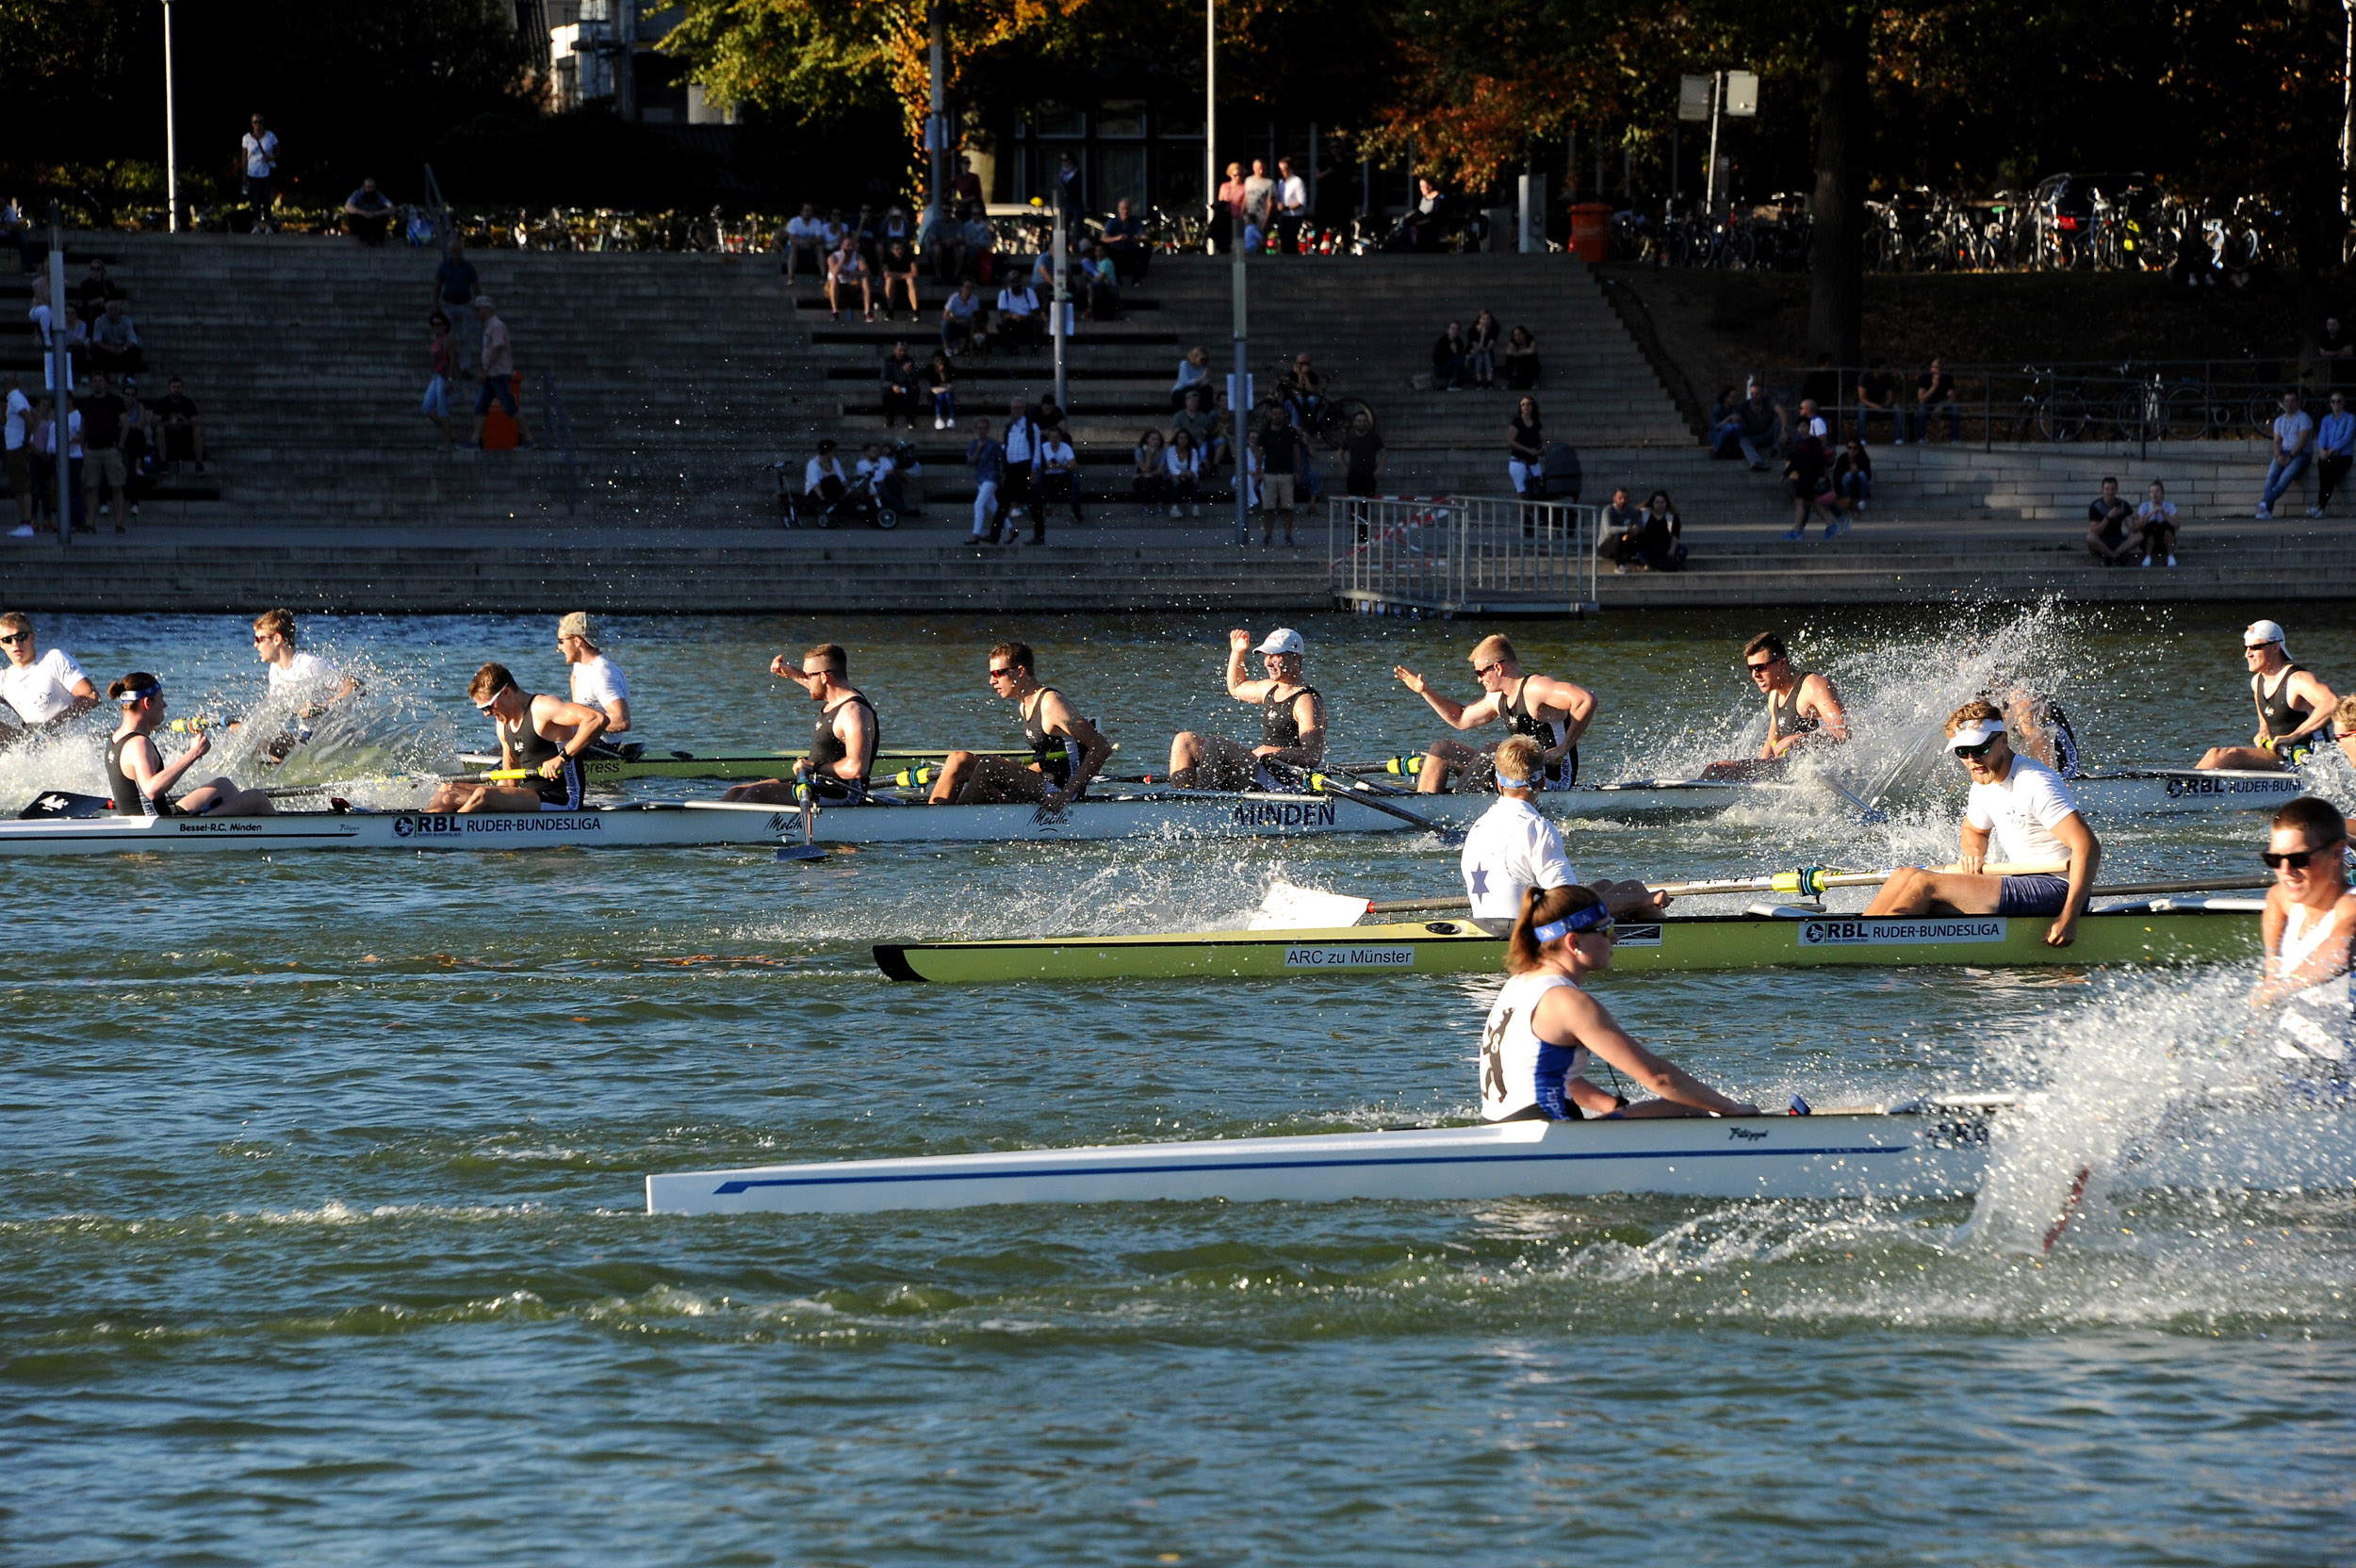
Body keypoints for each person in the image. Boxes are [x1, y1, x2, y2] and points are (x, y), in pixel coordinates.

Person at [1479, 882, 1759, 1122]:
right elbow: (1658, 1078)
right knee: (1690, 1109)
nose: (1615, 937)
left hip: (1503, 1126)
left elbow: (1563, 1079)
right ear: (1574, 942)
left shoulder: (1519, 984)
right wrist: (1731, 1109)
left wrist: (1615, 1109)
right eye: (1606, 929)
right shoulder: (1566, 1001)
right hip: (1552, 1133)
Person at [1861, 700, 2101, 948]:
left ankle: (1869, 949)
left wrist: (2070, 918)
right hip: (2022, 881)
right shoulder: (1982, 785)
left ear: (2004, 740)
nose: (1972, 759)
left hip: (2058, 888)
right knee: (1904, 875)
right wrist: (1974, 853)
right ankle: (1856, 936)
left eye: (1980, 748)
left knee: (1923, 883)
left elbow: (2088, 846)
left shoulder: (2036, 782)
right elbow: (1973, 829)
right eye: (1962, 752)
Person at [1458, 736, 1666, 934]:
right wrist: (1646, 900)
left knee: (1604, 886)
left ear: (1498, 784)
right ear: (1541, 783)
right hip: (1529, 937)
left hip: (1487, 926)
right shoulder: (1535, 827)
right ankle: (1667, 944)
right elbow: (1570, 905)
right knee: (1633, 889)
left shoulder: (1478, 826)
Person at [1393, 633, 1595, 794]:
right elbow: (1460, 719)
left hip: (1552, 779)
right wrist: (1425, 692)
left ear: (1497, 667)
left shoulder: (1535, 688)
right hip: (1519, 771)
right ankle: (1426, 805)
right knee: (1442, 748)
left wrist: (1564, 747)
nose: (1479, 680)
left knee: (1493, 750)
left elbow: (1586, 700)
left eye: (1480, 673)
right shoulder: (1496, 698)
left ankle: (1457, 808)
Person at [926, 642, 1113, 808]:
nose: (992, 681)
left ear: (1020, 671)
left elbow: (1101, 747)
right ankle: (933, 817)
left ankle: (954, 821)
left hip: (1061, 792)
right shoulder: (1024, 705)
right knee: (958, 759)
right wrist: (1015, 773)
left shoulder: (1051, 703)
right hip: (1042, 783)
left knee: (990, 764)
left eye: (998, 673)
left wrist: (1066, 795)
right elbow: (1050, 760)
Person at [2250, 795, 2356, 1068]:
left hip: (2342, 1074)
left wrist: (2275, 991)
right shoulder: (2284, 899)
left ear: (2336, 853)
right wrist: (2273, 966)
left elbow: (2336, 956)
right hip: (2291, 1065)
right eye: (2274, 859)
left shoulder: (2350, 908)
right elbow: (2274, 899)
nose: (2286, 872)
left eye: (2299, 859)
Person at [427, 663, 608, 813]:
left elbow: (597, 719)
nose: (486, 714)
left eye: (488, 707)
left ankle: (454, 832)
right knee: (447, 791)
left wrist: (562, 758)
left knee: (484, 795)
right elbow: (508, 781)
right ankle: (424, 830)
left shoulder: (542, 708)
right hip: (530, 797)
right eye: (482, 709)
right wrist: (497, 795)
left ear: (506, 693)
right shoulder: (503, 725)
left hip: (563, 800)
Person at [720, 644, 879, 805]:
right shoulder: (837, 698)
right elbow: (815, 685)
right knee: (736, 792)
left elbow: (856, 768)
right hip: (816, 784)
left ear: (824, 677)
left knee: (757, 794)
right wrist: (790, 673)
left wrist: (814, 767)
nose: (806, 679)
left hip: (843, 795)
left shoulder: (854, 713)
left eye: (808, 675)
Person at [1168, 627, 1324, 789]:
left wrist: (1270, 751)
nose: (1268, 663)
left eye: (1275, 657)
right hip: (1262, 768)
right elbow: (1236, 687)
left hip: (1283, 780)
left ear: (1295, 659)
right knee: (1185, 741)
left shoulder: (1306, 700)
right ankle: (1181, 803)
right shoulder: (1270, 688)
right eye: (1266, 656)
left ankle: (1204, 805)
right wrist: (1237, 652)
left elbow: (1312, 755)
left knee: (1217, 744)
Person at [105, 673, 276, 818]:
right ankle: (203, 825)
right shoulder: (138, 744)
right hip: (157, 825)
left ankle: (227, 829)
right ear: (147, 704)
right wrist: (193, 754)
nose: (164, 705)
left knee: (223, 785)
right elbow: (151, 789)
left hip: (150, 817)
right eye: (161, 700)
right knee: (257, 798)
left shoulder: (116, 738)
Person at [2196, 619, 2338, 771]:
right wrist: (2263, 731)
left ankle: (2180, 789)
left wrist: (2294, 736)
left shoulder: (2297, 679)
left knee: (2221, 756)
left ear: (2275, 647)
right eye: (2246, 648)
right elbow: (2265, 723)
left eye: (2255, 648)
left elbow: (2333, 703)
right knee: (2215, 755)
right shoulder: (2257, 681)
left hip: (2310, 761)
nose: (2247, 654)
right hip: (2282, 756)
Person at [1742, 631, 1847, 763]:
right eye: (1750, 668)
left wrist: (1800, 739)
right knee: (1716, 768)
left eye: (1759, 668)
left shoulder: (1813, 686)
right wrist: (1755, 772)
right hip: (1789, 771)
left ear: (1781, 664)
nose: (1754, 675)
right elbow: (1771, 743)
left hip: (1818, 770)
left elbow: (1843, 732)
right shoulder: (1774, 695)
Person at [0, 612, 100, 733]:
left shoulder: (54, 659)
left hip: (71, 744)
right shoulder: (3, 680)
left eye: (21, 636)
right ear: (1, 644)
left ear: (32, 636)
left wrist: (50, 726)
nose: (15, 644)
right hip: (33, 745)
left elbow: (92, 697)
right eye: (7, 640)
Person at [467, 298, 534, 449]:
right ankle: (474, 441)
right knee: (480, 407)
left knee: (510, 407)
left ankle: (529, 438)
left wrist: (485, 370)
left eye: (478, 309)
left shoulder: (496, 326)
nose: (476, 313)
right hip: (492, 375)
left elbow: (497, 347)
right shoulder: (489, 326)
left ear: (487, 309)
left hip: (498, 374)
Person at [557, 612, 630, 737]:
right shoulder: (579, 666)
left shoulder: (601, 674)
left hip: (603, 747)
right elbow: (574, 678)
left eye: (561, 641)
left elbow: (622, 721)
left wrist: (581, 722)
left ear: (577, 641)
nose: (559, 647)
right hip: (584, 739)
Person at [78, 371, 130, 534]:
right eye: (95, 380)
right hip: (92, 449)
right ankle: (90, 522)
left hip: (110, 448)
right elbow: (83, 426)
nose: (98, 383)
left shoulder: (115, 401)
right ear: (91, 383)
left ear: (105, 383)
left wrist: (120, 446)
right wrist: (82, 446)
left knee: (116, 486)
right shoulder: (86, 403)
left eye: (101, 380)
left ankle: (120, 523)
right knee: (91, 487)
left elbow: (125, 424)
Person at [2258, 389, 2315, 520]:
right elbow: (2277, 441)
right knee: (2271, 477)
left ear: (2298, 403)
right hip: (2283, 452)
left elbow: (2302, 442)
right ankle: (2267, 511)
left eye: (2293, 401)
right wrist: (2278, 456)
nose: (2290, 404)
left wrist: (2291, 457)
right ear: (2283, 403)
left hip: (2301, 454)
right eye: (2287, 401)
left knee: (2285, 477)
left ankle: (2265, 503)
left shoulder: (2304, 418)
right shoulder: (2279, 421)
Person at [432, 236, 483, 373]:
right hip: (448, 304)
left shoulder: (468, 267)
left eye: (458, 251)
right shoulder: (444, 267)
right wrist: (436, 304)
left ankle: (465, 366)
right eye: (453, 251)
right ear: (449, 252)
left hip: (465, 304)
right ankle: (448, 363)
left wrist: (480, 303)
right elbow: (438, 285)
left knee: (465, 336)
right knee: (449, 336)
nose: (456, 254)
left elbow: (475, 285)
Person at [1254, 406, 1303, 546]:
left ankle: (1288, 534)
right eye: (1275, 414)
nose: (1277, 416)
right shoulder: (1265, 432)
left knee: (1287, 507)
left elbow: (1296, 451)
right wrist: (1259, 471)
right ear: (1271, 415)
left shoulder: (1290, 431)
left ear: (1284, 415)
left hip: (1286, 473)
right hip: (1270, 473)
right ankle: (1268, 534)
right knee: (1268, 508)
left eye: (1280, 414)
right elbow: (1260, 452)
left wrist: (1298, 471)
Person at [1002, 398, 1042, 533]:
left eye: (1019, 408)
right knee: (1005, 499)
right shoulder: (1009, 427)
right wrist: (1005, 468)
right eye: (1014, 408)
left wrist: (1034, 469)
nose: (1016, 411)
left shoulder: (1031, 426)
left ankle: (1038, 534)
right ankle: (996, 533)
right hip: (1013, 467)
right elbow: (1008, 447)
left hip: (1026, 466)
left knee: (1033, 501)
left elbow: (1036, 448)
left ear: (1025, 410)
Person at [1035, 422, 1081, 539]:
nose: (1054, 439)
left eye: (1056, 437)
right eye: (1052, 437)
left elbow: (1074, 465)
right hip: (1047, 475)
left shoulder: (1066, 447)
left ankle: (1076, 511)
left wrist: (1061, 466)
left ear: (1060, 438)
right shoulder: (1043, 447)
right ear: (1049, 437)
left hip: (1063, 475)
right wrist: (1047, 467)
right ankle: (1040, 510)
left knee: (1075, 477)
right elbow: (1037, 465)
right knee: (1037, 477)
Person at [2314, 390, 2354, 518]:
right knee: (2326, 474)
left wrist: (2331, 450)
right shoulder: (2326, 419)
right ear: (2330, 404)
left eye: (2338, 401)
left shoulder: (2350, 418)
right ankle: (2320, 507)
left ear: (2344, 403)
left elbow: (2347, 437)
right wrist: (2322, 450)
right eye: (2333, 401)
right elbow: (2322, 437)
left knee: (2328, 476)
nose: (2335, 404)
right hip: (2328, 456)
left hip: (2343, 456)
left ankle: (2320, 506)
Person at [965, 417, 1005, 542]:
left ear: (988, 429)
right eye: (979, 428)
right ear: (976, 429)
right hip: (980, 479)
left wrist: (1003, 475)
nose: (982, 431)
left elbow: (1002, 460)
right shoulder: (973, 444)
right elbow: (970, 462)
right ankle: (1011, 529)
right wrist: (978, 449)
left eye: (984, 428)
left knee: (978, 504)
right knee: (993, 506)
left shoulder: (994, 444)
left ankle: (975, 534)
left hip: (991, 477)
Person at [154, 376, 205, 471]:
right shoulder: (162, 402)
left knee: (198, 430)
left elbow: (196, 421)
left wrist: (185, 422)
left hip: (185, 434)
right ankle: (163, 463)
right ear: (169, 388)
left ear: (182, 389)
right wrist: (169, 422)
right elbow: (155, 422)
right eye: (174, 387)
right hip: (167, 434)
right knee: (159, 430)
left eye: (179, 387)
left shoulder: (188, 403)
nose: (176, 390)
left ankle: (199, 463)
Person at [2085, 476, 2138, 565]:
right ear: (2102, 490)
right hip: (2102, 541)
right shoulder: (2095, 506)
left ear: (2116, 490)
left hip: (2118, 540)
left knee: (2139, 536)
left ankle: (2111, 555)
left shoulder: (2123, 504)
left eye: (2113, 489)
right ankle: (2116, 557)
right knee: (2090, 537)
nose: (2110, 492)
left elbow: (2131, 528)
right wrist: (2108, 517)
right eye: (2107, 489)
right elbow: (2095, 530)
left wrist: (2135, 522)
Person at [240, 113, 280, 234]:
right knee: (255, 199)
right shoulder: (247, 138)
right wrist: (244, 175)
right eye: (255, 122)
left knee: (266, 199)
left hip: (266, 172)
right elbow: (244, 158)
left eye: (260, 122)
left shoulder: (270, 136)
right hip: (253, 172)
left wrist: (271, 157)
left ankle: (268, 224)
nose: (258, 124)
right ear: (252, 124)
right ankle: (256, 224)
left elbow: (278, 152)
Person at [422, 311, 457, 446]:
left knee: (442, 409)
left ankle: (447, 441)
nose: (436, 327)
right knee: (427, 408)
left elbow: (453, 360)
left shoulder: (448, 341)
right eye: (433, 324)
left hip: (443, 377)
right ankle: (449, 434)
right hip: (435, 377)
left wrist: (450, 379)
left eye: (439, 324)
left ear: (445, 326)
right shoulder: (436, 341)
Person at [1909, 357, 1959, 444]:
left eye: (1939, 368)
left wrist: (1942, 406)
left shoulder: (1947, 377)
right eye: (1935, 367)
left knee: (1954, 409)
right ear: (1930, 368)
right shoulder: (1925, 377)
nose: (1937, 370)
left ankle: (1954, 439)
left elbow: (1952, 398)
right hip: (1927, 405)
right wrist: (1934, 387)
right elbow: (1921, 400)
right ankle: (1921, 438)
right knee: (1921, 410)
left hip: (1942, 405)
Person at [1734, 383, 1783, 470]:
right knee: (1743, 440)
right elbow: (1735, 416)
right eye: (1752, 394)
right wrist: (1738, 419)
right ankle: (1756, 462)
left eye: (1757, 394)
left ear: (1762, 393)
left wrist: (1784, 430)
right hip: (1753, 436)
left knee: (1778, 421)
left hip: (1768, 434)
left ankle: (1776, 450)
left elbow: (1782, 412)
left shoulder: (1768, 402)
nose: (1754, 396)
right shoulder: (1744, 406)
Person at [3, 373, 29, 536]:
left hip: (16, 446)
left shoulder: (15, 399)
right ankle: (23, 522)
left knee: (22, 486)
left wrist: (26, 441)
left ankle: (27, 522)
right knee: (18, 486)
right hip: (14, 445)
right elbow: (34, 416)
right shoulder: (19, 398)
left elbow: (30, 419)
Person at [88, 300, 142, 378]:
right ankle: (103, 376)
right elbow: (97, 340)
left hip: (122, 349)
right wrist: (110, 349)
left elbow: (132, 340)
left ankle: (129, 377)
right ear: (106, 310)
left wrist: (123, 348)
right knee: (95, 351)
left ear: (120, 310)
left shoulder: (126, 321)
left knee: (136, 351)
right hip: (106, 349)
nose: (113, 311)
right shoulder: (99, 321)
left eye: (115, 309)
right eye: (110, 309)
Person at [826, 235, 874, 322]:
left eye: (852, 245)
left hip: (851, 285)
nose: (850, 248)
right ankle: (835, 312)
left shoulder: (858, 257)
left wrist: (850, 273)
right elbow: (834, 272)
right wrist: (843, 258)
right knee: (834, 279)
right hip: (836, 287)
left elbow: (866, 272)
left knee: (865, 280)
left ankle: (867, 312)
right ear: (842, 246)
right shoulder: (833, 257)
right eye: (848, 245)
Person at [1505, 397, 1545, 498]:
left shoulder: (1536, 424)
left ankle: (1533, 513)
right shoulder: (1517, 422)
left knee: (1536, 489)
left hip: (1533, 462)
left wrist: (1541, 450)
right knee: (1522, 491)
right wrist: (1527, 450)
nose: (1526, 407)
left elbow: (1544, 440)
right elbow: (1510, 441)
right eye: (1523, 404)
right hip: (1519, 462)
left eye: (1529, 404)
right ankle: (1525, 513)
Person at [1103, 199, 1149, 284]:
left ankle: (1138, 277)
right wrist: (1117, 238)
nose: (1125, 211)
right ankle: (1117, 278)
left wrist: (1139, 238)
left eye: (1127, 209)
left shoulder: (1135, 221)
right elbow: (1104, 238)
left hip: (1131, 247)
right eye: (1123, 209)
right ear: (1119, 210)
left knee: (1146, 248)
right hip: (1116, 249)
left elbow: (1145, 236)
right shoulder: (1113, 222)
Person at [879, 341, 922, 431]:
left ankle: (910, 419)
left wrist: (909, 373)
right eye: (900, 350)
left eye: (904, 351)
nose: (902, 353)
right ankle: (889, 418)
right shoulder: (888, 361)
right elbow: (883, 381)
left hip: (905, 389)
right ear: (895, 350)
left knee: (915, 391)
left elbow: (915, 382)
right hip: (892, 389)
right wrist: (893, 385)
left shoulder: (910, 361)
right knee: (885, 392)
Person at [2135, 480, 2179, 567]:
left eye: (2157, 491)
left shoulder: (2169, 506)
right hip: (2148, 541)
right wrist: (2148, 516)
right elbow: (2139, 527)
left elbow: (2177, 525)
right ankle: (2147, 557)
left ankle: (2171, 556)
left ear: (2162, 494)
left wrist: (2164, 514)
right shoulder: (2144, 506)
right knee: (2152, 525)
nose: (2154, 494)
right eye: (2151, 491)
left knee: (2166, 526)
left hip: (2164, 542)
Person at [802, 438, 848, 518]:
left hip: (831, 490)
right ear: (827, 452)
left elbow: (842, 479)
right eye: (833, 451)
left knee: (836, 482)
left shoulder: (834, 461)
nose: (834, 453)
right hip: (816, 493)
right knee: (833, 479)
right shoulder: (813, 464)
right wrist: (822, 498)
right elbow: (815, 484)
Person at [1856, 361, 1900, 443]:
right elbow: (1862, 398)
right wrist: (1876, 407)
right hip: (1868, 405)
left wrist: (1884, 406)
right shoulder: (1864, 377)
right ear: (1876, 370)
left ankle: (1898, 439)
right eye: (1883, 368)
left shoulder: (1887, 377)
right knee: (1861, 408)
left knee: (1897, 408)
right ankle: (1861, 439)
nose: (1885, 370)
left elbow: (1890, 397)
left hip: (1882, 405)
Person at [941, 278, 986, 358]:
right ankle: (946, 347)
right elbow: (945, 315)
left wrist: (970, 321)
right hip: (955, 321)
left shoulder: (974, 299)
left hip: (968, 321)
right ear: (962, 288)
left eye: (970, 287)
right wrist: (957, 320)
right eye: (966, 287)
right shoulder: (954, 298)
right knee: (945, 324)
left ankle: (972, 348)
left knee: (978, 327)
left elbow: (976, 315)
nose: (968, 289)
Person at [340, 177, 395, 243]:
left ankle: (378, 239)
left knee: (384, 216)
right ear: (363, 187)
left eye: (372, 187)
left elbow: (392, 209)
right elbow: (347, 207)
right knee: (353, 215)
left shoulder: (379, 195)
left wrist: (376, 213)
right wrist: (363, 213)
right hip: (361, 221)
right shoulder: (357, 194)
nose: (370, 189)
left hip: (375, 220)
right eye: (368, 187)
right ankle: (364, 239)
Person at [995, 274, 1040, 351]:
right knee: (1001, 325)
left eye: (1017, 282)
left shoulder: (1029, 292)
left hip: (1027, 319)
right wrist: (1013, 316)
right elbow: (1002, 313)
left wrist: (1024, 317)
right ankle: (1013, 348)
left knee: (1039, 322)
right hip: (1012, 320)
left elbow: (1035, 310)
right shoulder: (1004, 294)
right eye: (1013, 282)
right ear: (1009, 284)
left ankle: (1034, 347)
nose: (1016, 285)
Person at [782, 204, 826, 282]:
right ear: (801, 212)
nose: (808, 213)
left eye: (810, 211)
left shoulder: (816, 222)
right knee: (793, 248)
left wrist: (810, 242)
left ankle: (823, 276)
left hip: (811, 247)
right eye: (806, 211)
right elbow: (792, 239)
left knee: (820, 248)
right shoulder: (794, 221)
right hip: (797, 247)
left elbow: (819, 239)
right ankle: (791, 277)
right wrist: (803, 242)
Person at [881, 237, 922, 322]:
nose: (899, 251)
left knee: (910, 280)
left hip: (906, 283)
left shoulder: (909, 256)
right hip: (894, 282)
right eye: (896, 249)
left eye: (901, 249)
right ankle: (890, 310)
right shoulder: (888, 257)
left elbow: (915, 273)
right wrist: (904, 275)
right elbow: (886, 274)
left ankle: (915, 311)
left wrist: (897, 275)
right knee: (889, 280)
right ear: (892, 250)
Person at [1167, 428, 1204, 516]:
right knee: (1175, 480)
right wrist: (1180, 474)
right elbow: (1171, 466)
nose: (1183, 440)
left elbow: (1194, 467)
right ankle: (1174, 507)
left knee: (1195, 480)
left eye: (1185, 438)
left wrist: (1190, 473)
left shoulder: (1193, 451)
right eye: (1180, 438)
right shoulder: (1171, 450)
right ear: (1177, 439)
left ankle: (1196, 507)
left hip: (1188, 475)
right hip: (1175, 475)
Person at [1132, 429, 1170, 515]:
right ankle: (1145, 508)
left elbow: (1159, 470)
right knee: (1145, 481)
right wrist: (1148, 455)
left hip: (1156, 477)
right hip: (1141, 480)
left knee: (1158, 479)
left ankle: (1160, 507)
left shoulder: (1163, 452)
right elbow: (1145, 469)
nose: (1156, 442)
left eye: (1158, 440)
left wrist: (1147, 474)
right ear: (1147, 440)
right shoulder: (1139, 451)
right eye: (1153, 439)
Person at [1275, 158, 1309, 253]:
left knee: (1291, 240)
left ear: (1290, 169)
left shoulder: (1297, 182)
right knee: (1283, 240)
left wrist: (1286, 208)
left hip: (1294, 216)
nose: (1281, 172)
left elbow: (1302, 202)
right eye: (1280, 169)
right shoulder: (1281, 183)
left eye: (1283, 169)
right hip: (1283, 216)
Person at [1832, 438, 1873, 514]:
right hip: (1845, 487)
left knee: (1862, 474)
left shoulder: (1863, 458)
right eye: (1849, 448)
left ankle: (1862, 501)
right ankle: (1847, 499)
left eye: (1854, 448)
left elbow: (1869, 475)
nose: (1852, 450)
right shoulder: (1842, 458)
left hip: (1858, 487)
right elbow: (1836, 476)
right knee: (1848, 475)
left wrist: (1858, 470)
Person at [1465, 311, 1501, 390]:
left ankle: (1488, 381)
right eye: (1483, 318)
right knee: (1480, 355)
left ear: (1491, 320)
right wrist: (1483, 334)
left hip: (1485, 354)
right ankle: (1480, 381)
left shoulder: (1493, 331)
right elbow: (1478, 347)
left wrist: (1480, 349)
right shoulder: (1472, 330)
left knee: (1485, 354)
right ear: (1479, 320)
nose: (1485, 321)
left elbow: (1487, 348)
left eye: (1488, 319)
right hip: (1471, 355)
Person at [1170, 345, 1212, 411]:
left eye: (1205, 360)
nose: (1203, 362)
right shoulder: (1185, 364)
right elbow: (1185, 383)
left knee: (1208, 390)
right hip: (1182, 390)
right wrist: (1202, 378)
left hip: (1195, 389)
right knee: (1188, 391)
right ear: (1195, 357)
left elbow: (1201, 384)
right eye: (1202, 359)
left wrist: (1208, 380)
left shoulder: (1203, 368)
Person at [1432, 320, 1468, 391]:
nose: (1454, 331)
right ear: (1448, 330)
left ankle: (1447, 385)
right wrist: (1452, 352)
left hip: (1452, 369)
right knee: (1462, 357)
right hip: (1440, 368)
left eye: (1457, 329)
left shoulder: (1459, 341)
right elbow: (1437, 359)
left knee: (1468, 375)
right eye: (1452, 328)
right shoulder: (1442, 341)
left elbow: (1458, 359)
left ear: (1459, 331)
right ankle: (1453, 384)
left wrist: (1455, 352)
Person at [1502, 325, 1541, 390]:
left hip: (1529, 361)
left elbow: (1532, 351)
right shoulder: (1512, 341)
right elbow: (1509, 352)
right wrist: (1524, 352)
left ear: (1524, 334)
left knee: (1533, 357)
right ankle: (1509, 380)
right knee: (1509, 358)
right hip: (1519, 361)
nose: (1517, 337)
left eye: (1519, 335)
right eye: (1515, 335)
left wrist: (1519, 352)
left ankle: (1535, 381)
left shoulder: (1530, 339)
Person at [926, 350, 957, 431]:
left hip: (947, 394)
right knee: (940, 396)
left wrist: (942, 372)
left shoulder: (949, 369)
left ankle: (951, 418)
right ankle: (938, 418)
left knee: (947, 396)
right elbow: (934, 388)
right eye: (936, 360)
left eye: (940, 360)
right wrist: (946, 388)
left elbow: (952, 385)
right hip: (935, 395)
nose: (938, 362)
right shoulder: (930, 369)